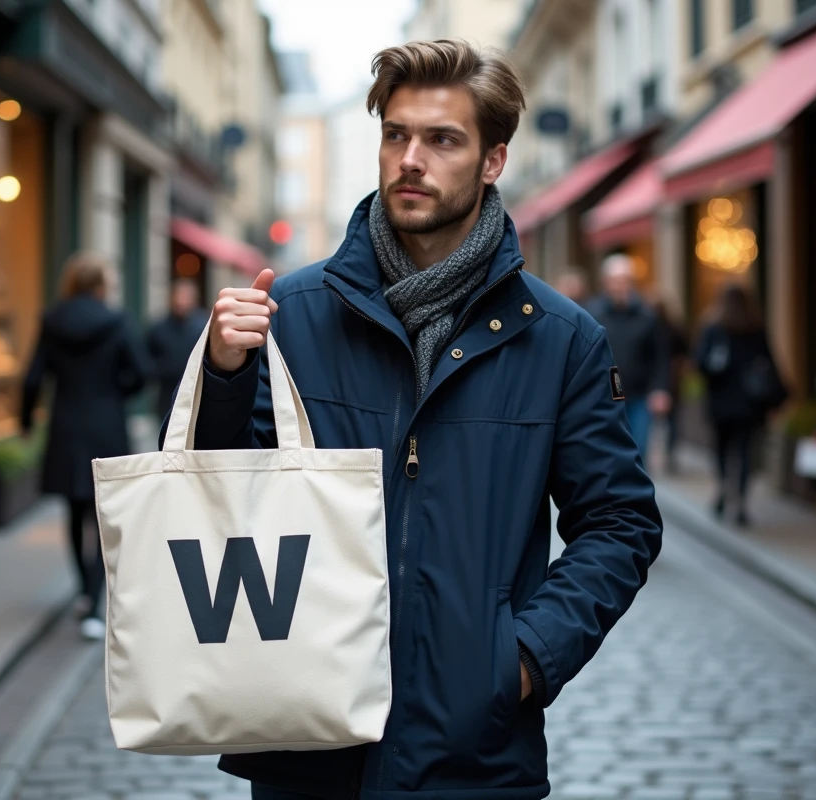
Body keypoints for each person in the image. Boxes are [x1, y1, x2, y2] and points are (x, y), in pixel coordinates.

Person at [160, 40, 663, 799]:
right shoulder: (293, 316)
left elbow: (620, 522)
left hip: (474, 756)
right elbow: (222, 500)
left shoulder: (560, 340)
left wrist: (522, 659)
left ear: (493, 160)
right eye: (396, 134)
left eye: (442, 139)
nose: (411, 159)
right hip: (312, 749)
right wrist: (226, 379)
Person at [21, 252, 149, 640]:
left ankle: (83, 592)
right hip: (106, 424)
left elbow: (32, 378)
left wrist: (25, 420)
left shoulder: (51, 320)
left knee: (75, 513)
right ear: (100, 285)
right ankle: (93, 605)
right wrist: (116, 393)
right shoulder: (117, 322)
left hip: (66, 424)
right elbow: (140, 373)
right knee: (104, 515)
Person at [694, 282, 783, 527]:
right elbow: (770, 363)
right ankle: (740, 499)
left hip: (721, 401)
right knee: (744, 452)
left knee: (722, 448)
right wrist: (777, 398)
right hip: (748, 403)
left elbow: (699, 363)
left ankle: (724, 486)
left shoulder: (713, 328)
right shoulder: (755, 328)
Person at [586, 254, 671, 464]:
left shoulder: (647, 316)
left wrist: (660, 389)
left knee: (638, 449)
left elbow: (661, 356)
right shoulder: (592, 314)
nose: (620, 286)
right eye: (615, 281)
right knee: (607, 452)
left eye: (625, 280)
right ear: (605, 283)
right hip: (603, 396)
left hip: (639, 395)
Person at [147, 277, 210, 417]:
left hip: (196, 391)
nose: (182, 301)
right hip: (167, 394)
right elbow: (149, 358)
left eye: (186, 296)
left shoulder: (204, 326)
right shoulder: (158, 328)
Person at [653, 293, 689, 475]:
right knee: (672, 421)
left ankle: (663, 454)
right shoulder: (673, 328)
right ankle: (668, 453)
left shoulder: (665, 329)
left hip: (666, 380)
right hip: (672, 380)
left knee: (661, 422)